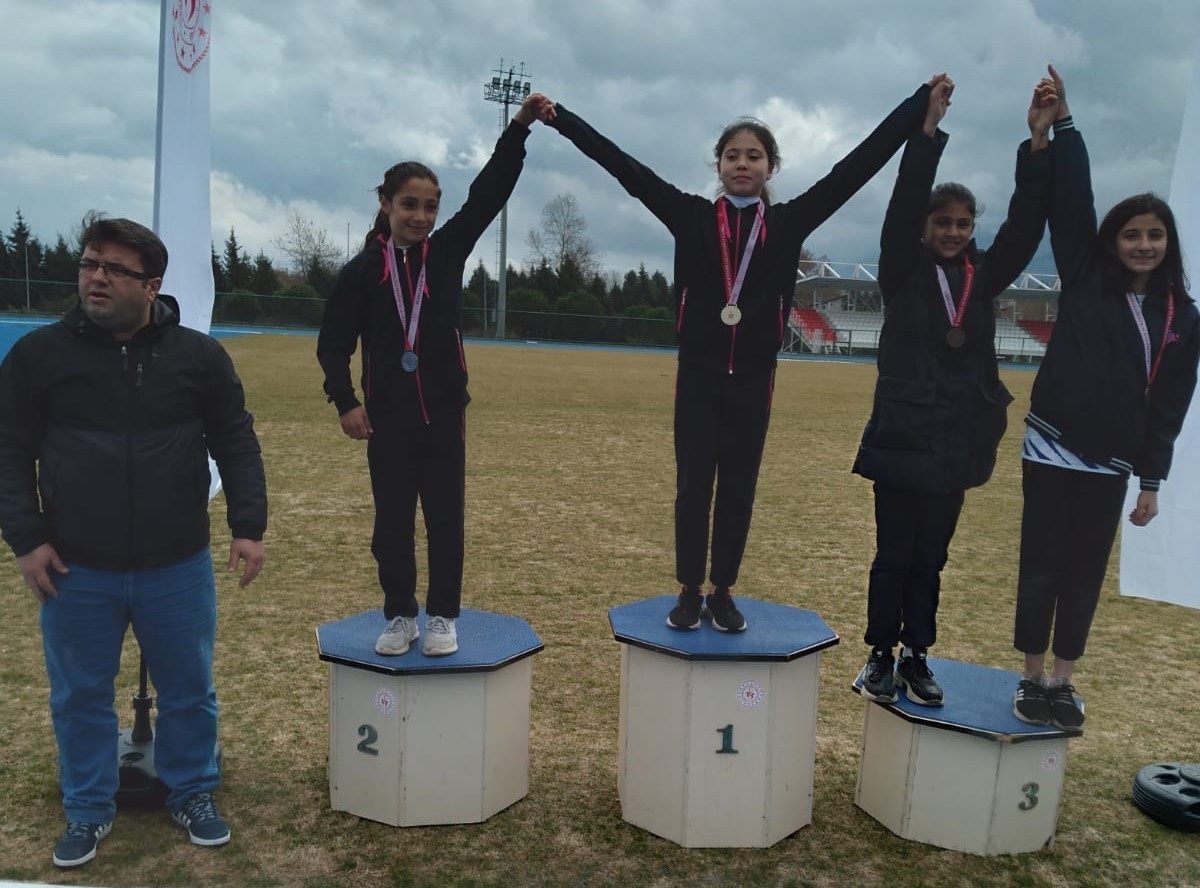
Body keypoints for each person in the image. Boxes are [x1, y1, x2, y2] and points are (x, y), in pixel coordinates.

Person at [540, 75, 945, 632]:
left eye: (754, 155)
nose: (742, 164)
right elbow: (623, 167)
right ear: (719, 165)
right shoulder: (689, 216)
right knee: (693, 486)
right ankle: (687, 589)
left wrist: (917, 108)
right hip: (700, 374)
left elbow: (857, 166)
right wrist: (561, 118)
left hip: (755, 376)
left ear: (769, 168)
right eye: (731, 155)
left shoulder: (788, 222)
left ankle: (723, 590)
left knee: (738, 488)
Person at [0, 217, 268, 868]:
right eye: (90, 262)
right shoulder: (39, 357)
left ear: (151, 286)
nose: (96, 276)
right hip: (73, 566)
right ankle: (89, 808)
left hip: (174, 563)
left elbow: (235, 439)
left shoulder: (199, 358)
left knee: (188, 689)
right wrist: (26, 538)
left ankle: (192, 792)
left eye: (115, 269)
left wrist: (247, 525)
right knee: (80, 695)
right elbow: (9, 450)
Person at [317, 91, 552, 658]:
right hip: (388, 421)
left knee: (446, 523)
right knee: (391, 526)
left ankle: (443, 615)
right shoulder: (362, 272)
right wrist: (346, 400)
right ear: (385, 203)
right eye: (409, 205)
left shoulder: (446, 254)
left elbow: (489, 192)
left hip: (444, 416)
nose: (421, 216)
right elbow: (332, 344)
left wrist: (519, 128)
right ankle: (401, 614)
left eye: (430, 206)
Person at [852, 78, 1057, 706]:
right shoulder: (901, 267)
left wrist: (1038, 141)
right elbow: (904, 197)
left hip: (956, 440)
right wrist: (928, 132)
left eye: (964, 224)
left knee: (932, 559)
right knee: (894, 555)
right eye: (943, 222)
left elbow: (1026, 225)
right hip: (903, 436)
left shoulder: (985, 274)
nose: (954, 231)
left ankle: (918, 654)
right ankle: (880, 654)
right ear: (924, 226)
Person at [1012, 66, 1200, 730]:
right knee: (1040, 567)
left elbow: (1170, 405)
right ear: (1113, 242)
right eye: (1132, 234)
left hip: (1113, 465)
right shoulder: (1087, 276)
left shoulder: (1184, 315)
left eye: (1155, 235)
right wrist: (1064, 124)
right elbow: (1074, 201)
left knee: (1084, 575)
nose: (1143, 245)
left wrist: (1152, 480)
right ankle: (1030, 677)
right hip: (1051, 445)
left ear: (1168, 244)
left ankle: (1064, 682)